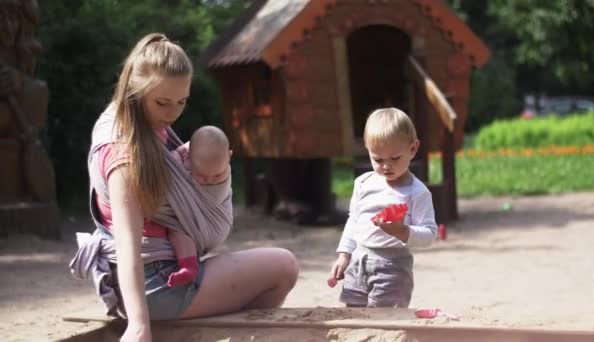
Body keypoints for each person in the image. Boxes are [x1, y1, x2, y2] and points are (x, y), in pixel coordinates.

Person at [69, 33, 298, 342]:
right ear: (135, 90)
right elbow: (128, 244)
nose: (173, 113)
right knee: (283, 267)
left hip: (163, 274)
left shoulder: (145, 124)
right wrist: (139, 326)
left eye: (182, 102)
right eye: (162, 102)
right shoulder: (125, 153)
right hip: (155, 285)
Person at [329, 107, 437, 308]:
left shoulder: (417, 192)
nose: (386, 166)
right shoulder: (363, 183)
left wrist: (403, 231)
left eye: (394, 158)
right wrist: (344, 255)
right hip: (358, 262)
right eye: (377, 159)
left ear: (412, 149)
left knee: (385, 320)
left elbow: (430, 234)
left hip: (392, 267)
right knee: (354, 316)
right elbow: (354, 220)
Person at [165, 125, 233, 288]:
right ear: (188, 158)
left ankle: (189, 264)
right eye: (201, 176)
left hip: (211, 225)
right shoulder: (203, 159)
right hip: (198, 224)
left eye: (218, 175)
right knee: (177, 228)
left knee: (178, 228)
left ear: (229, 157)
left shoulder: (218, 180)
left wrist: (176, 155)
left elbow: (172, 166)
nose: (210, 180)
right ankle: (188, 266)